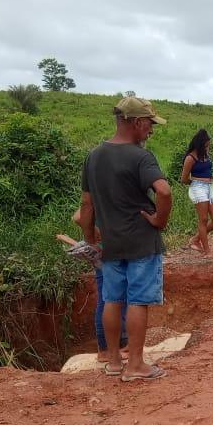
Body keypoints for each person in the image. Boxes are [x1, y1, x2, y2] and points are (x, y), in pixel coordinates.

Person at [79, 96, 172, 381]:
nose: (151, 130)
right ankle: (136, 365)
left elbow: (86, 206)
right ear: (136, 122)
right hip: (141, 242)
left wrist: (90, 238)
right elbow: (165, 192)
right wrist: (159, 220)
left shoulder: (93, 156)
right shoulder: (140, 156)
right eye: (149, 124)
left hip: (111, 243)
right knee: (138, 301)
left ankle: (115, 362)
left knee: (112, 299)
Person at [70, 209, 128, 365]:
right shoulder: (100, 192)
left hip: (108, 251)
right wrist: (95, 232)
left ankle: (119, 345)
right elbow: (78, 217)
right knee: (107, 299)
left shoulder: (103, 191)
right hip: (105, 253)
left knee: (118, 298)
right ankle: (105, 350)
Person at [180, 129, 213, 257]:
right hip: (198, 188)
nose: (208, 146)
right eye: (206, 144)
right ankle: (207, 250)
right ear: (200, 144)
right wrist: (198, 180)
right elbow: (184, 179)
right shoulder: (190, 158)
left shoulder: (205, 155)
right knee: (203, 219)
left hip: (209, 187)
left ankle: (195, 239)